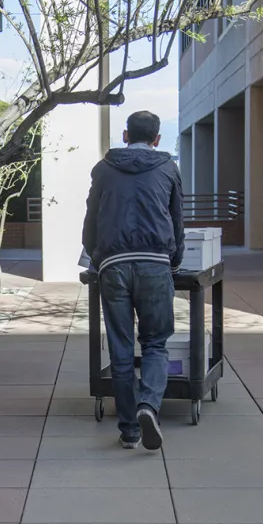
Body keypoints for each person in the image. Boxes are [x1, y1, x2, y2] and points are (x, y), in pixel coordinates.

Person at [82, 111, 184, 450]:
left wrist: (95, 256)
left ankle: (129, 430)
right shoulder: (169, 168)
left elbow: (91, 220)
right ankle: (148, 405)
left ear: (125, 135)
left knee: (121, 348)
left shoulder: (103, 169)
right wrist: (175, 261)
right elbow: (177, 221)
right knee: (155, 342)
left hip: (113, 265)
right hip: (156, 264)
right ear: (157, 139)